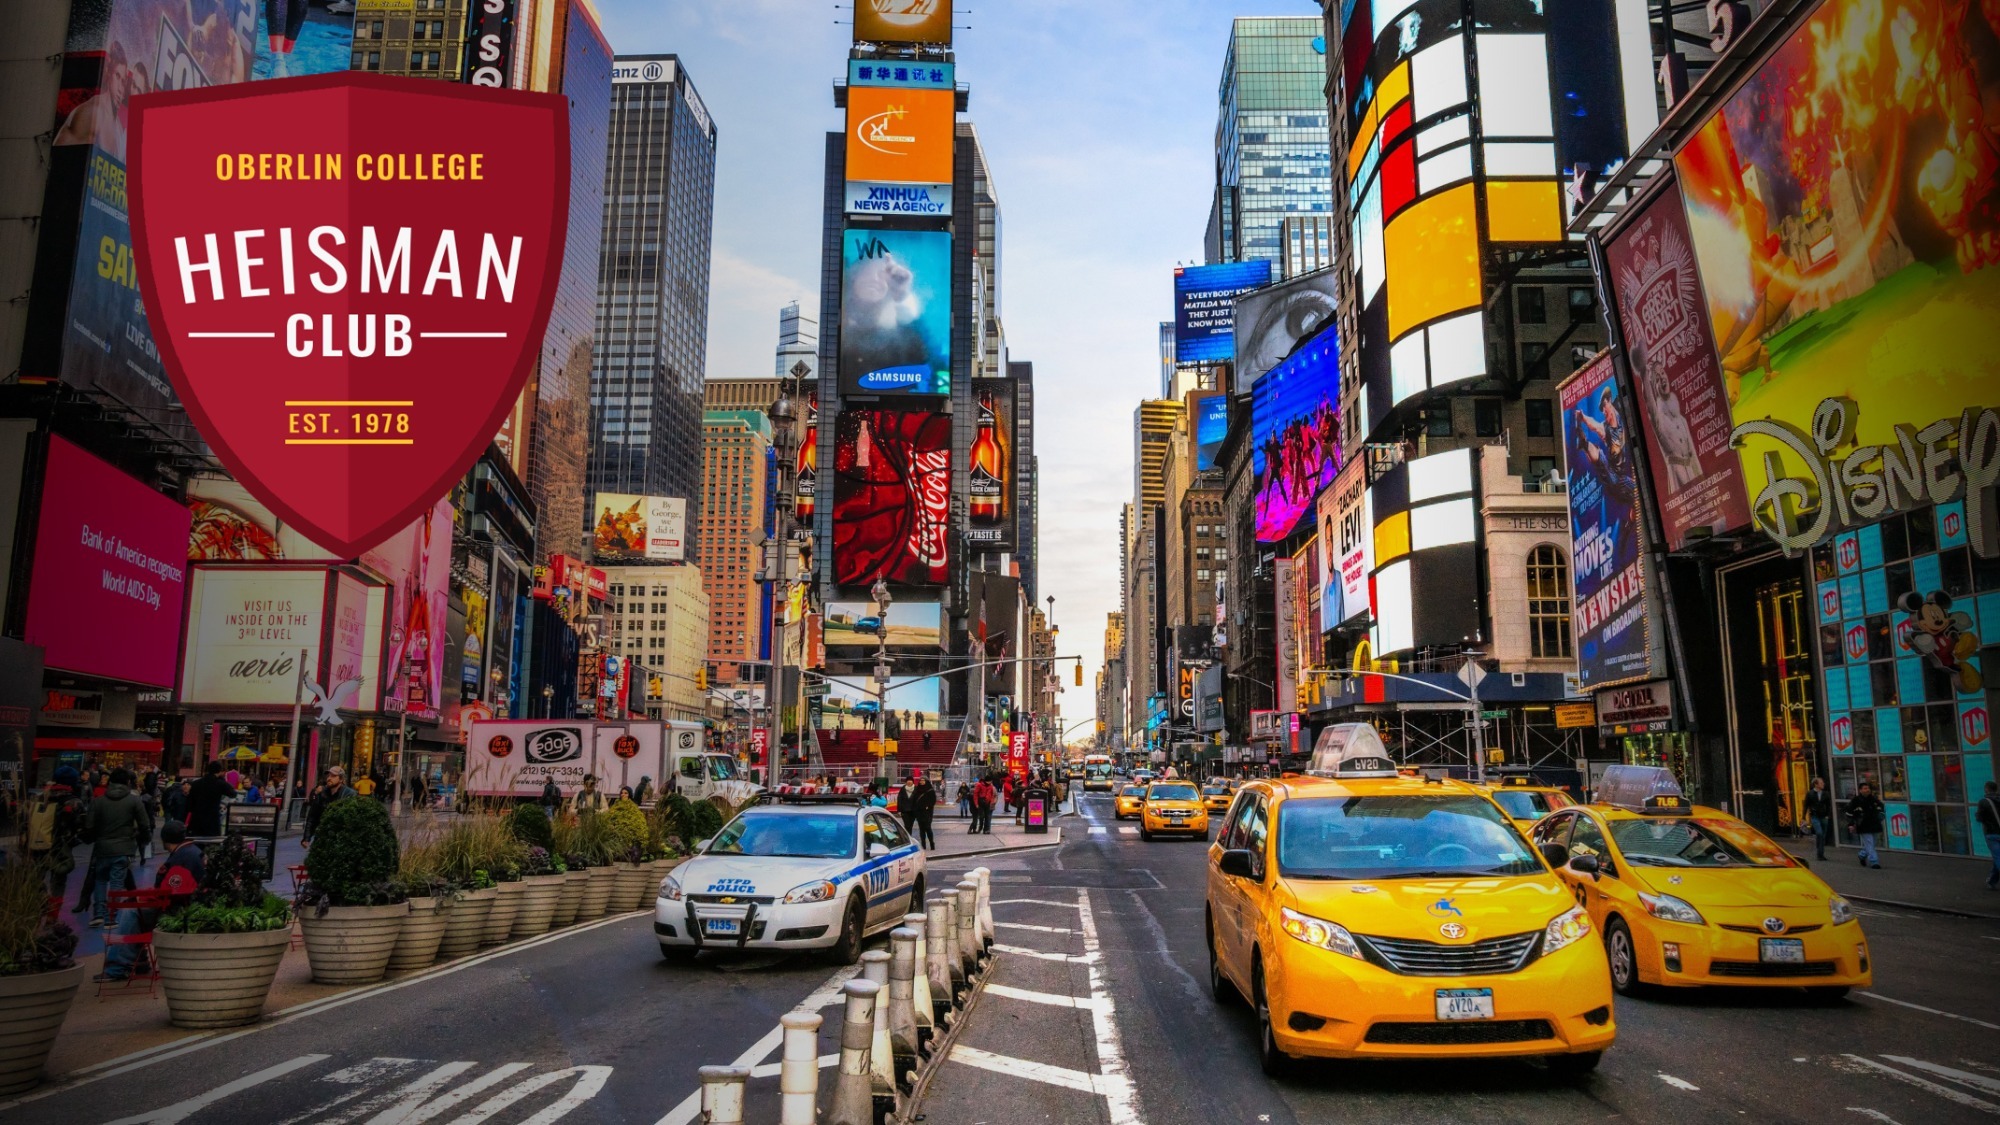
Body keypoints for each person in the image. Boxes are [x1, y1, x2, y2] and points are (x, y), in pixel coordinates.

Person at [97, 819, 205, 983]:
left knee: (131, 912)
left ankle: (118, 967)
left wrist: (141, 897)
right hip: (189, 905)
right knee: (136, 910)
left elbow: (169, 892)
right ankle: (138, 961)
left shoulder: (181, 858)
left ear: (164, 839)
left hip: (177, 909)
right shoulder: (192, 851)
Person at [84, 768, 152, 928]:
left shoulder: (98, 801)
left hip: (102, 847)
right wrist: (144, 838)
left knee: (100, 879)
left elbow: (89, 826)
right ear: (128, 782)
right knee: (116, 881)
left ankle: (98, 914)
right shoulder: (134, 801)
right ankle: (111, 917)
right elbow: (144, 824)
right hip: (124, 847)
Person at [26, 767, 86, 898]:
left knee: (36, 879)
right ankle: (52, 916)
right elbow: (80, 826)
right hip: (60, 848)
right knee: (58, 882)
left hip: (37, 844)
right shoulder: (73, 801)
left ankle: (38, 908)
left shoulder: (39, 797)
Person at [303, 768, 353, 846]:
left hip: (341, 840)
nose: (329, 778)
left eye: (333, 776)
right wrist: (307, 838)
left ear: (341, 779)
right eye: (329, 775)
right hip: (322, 837)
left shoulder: (349, 794)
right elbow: (312, 816)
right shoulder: (321, 793)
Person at [186, 760, 233, 838]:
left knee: (196, 843)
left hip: (196, 820)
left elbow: (190, 804)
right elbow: (232, 793)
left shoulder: (196, 783)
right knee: (212, 844)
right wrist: (222, 780)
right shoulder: (220, 783)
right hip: (212, 820)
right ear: (219, 771)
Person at [1847, 781, 1885, 869]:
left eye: (1868, 788)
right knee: (1869, 842)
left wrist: (1881, 815)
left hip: (1874, 824)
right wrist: (1851, 824)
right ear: (1860, 790)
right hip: (1863, 825)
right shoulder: (1856, 800)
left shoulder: (1874, 799)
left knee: (1873, 843)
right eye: (1865, 788)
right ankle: (1874, 861)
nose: (1867, 790)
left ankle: (1862, 854)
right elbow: (1849, 813)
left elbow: (1881, 807)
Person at [1804, 777, 1834, 861]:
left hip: (1824, 817)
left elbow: (1828, 805)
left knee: (1823, 836)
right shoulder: (1810, 794)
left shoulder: (1826, 794)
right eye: (1821, 783)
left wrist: (1828, 815)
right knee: (1819, 833)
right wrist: (1803, 817)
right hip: (1815, 816)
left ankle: (1821, 854)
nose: (1823, 784)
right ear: (1816, 784)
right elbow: (1806, 805)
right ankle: (1819, 853)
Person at [1978, 781, 2000, 892]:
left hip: (1991, 834)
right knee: (1998, 856)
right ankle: (1991, 881)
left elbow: (1979, 818)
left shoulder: (1984, 802)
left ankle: (1991, 881)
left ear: (1986, 789)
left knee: (1998, 857)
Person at [907, 773, 937, 850]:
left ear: (926, 781)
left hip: (927, 812)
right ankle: (923, 844)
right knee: (921, 829)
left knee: (928, 828)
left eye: (923, 780)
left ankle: (931, 843)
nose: (921, 782)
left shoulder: (930, 790)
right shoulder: (917, 789)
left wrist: (928, 806)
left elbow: (933, 800)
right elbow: (914, 799)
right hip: (919, 812)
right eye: (920, 780)